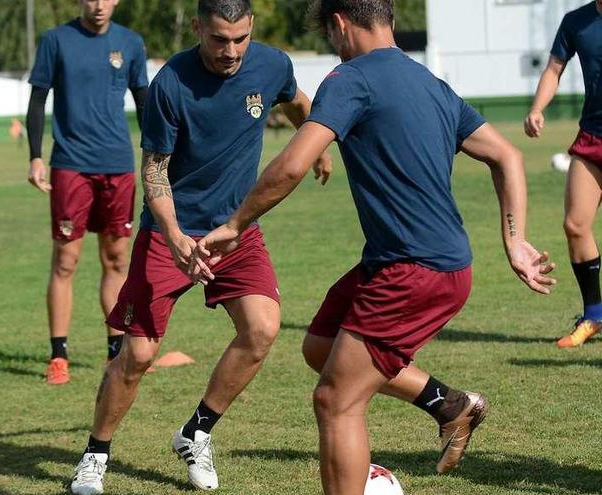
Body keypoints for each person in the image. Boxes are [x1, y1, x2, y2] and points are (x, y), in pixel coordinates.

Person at [194, 1, 555, 493]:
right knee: (320, 345)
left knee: (335, 400)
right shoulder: (429, 82)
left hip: (412, 269)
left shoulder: (349, 80)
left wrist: (237, 223)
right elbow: (507, 155)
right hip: (409, 261)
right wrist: (514, 240)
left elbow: (294, 164)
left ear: (340, 24)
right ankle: (450, 405)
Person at [68, 1, 333, 493]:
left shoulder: (272, 63)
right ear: (197, 29)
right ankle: (95, 455)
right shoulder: (171, 83)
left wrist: (313, 145)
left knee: (262, 329)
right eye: (218, 39)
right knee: (139, 355)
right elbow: (154, 173)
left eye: (239, 39)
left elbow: (296, 99)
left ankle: (196, 432)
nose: (230, 51)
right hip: (169, 233)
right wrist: (174, 240)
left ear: (250, 27)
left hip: (235, 230)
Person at [26, 0, 149, 385]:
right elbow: (37, 99)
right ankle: (58, 354)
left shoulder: (131, 43)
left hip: (117, 164)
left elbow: (144, 101)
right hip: (70, 165)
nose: (98, 5)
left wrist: (155, 155)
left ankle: (115, 350)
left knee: (116, 260)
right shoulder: (56, 40)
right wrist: (34, 156)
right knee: (66, 261)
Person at [525, 0, 602, 348]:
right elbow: (554, 68)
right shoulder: (576, 21)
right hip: (593, 136)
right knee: (575, 225)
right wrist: (538, 108)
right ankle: (595, 315)